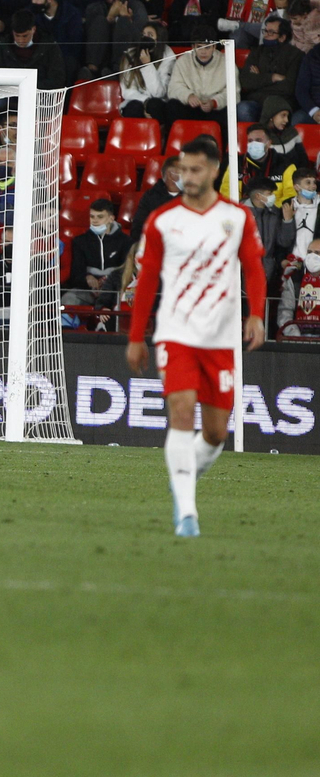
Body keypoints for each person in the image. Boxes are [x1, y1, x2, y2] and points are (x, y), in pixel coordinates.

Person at [127, 137, 267, 538]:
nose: (185, 177)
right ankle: (186, 512)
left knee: (216, 433)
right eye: (182, 170)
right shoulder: (162, 219)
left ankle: (183, 477)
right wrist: (137, 337)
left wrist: (256, 313)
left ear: (213, 171)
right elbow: (148, 279)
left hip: (221, 337)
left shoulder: (237, 217)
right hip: (176, 332)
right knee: (182, 415)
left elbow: (254, 270)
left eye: (194, 170)